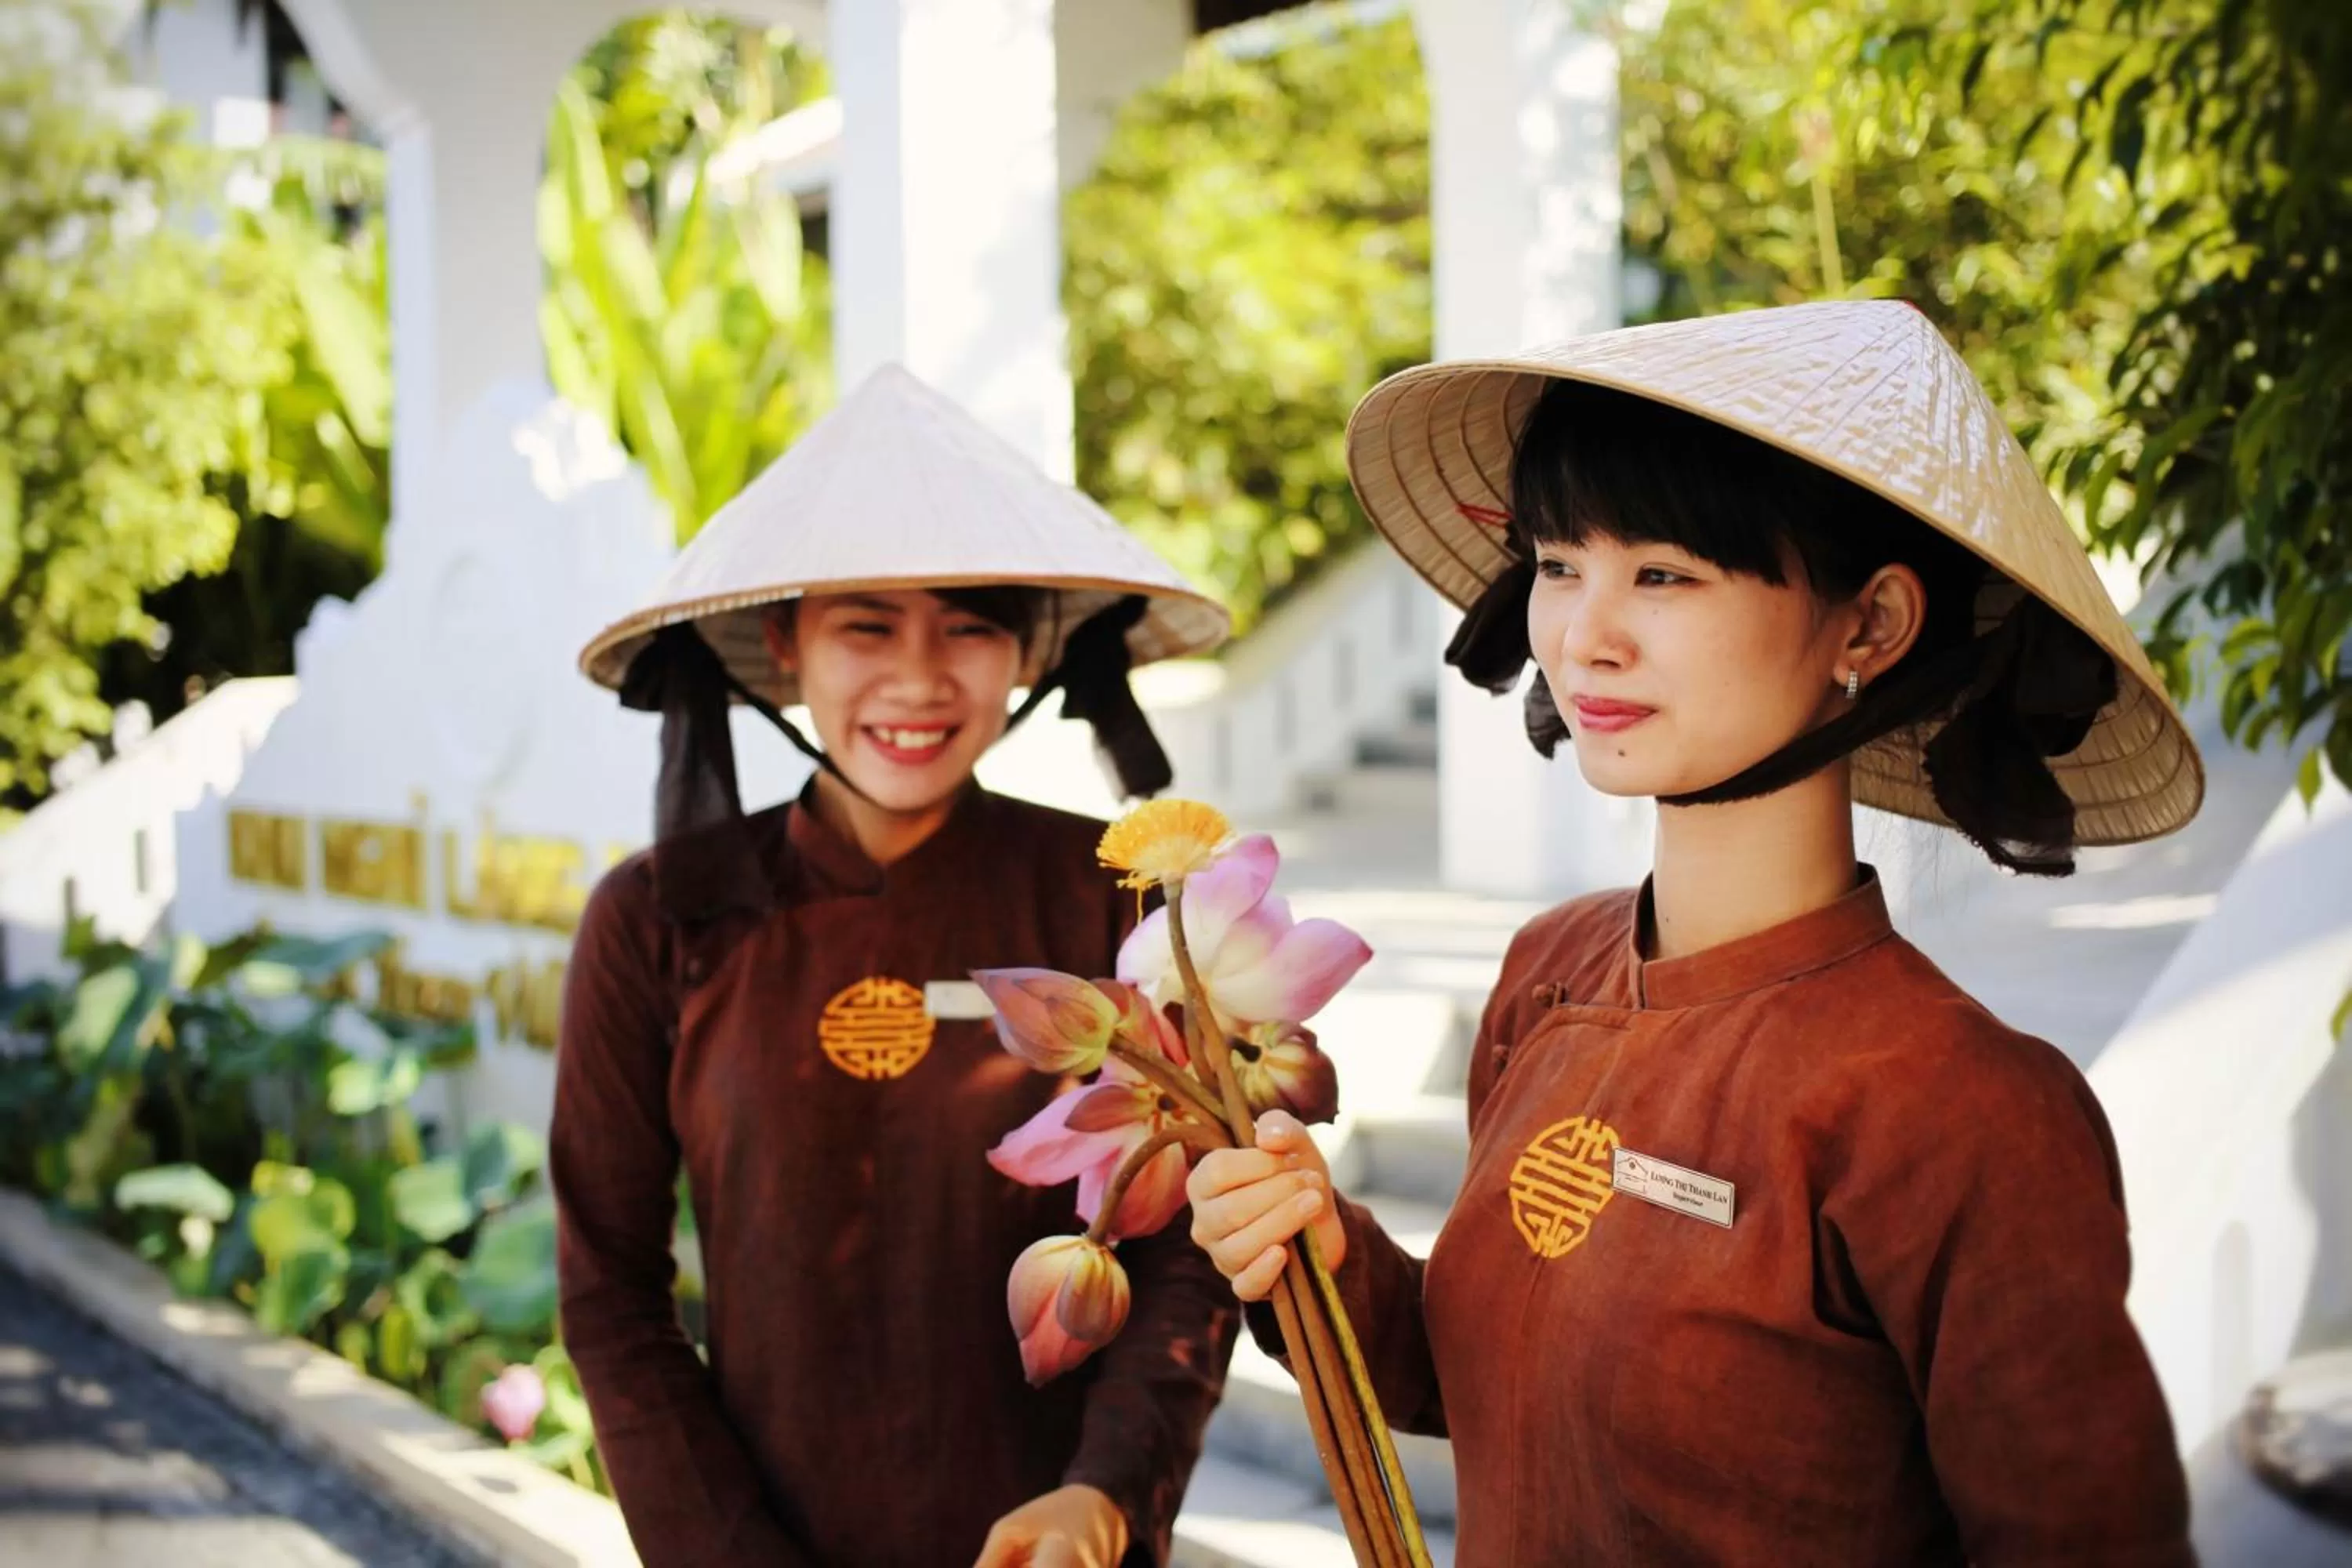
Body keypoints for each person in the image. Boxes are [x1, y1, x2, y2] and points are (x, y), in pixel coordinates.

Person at [1185, 302, 2202, 1564]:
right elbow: (1494, 1391)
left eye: (1664, 573)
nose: (1581, 635)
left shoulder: (1963, 1112)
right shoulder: (1547, 976)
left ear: (1871, 628)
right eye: (1560, 563)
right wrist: (1327, 1254)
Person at [557, 365, 1239, 1567]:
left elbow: (1189, 1246)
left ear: (1027, 651)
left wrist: (1110, 1490)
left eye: (970, 624)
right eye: (866, 625)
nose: (920, 678)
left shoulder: (1118, 898)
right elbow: (611, 1295)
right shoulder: (653, 923)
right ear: (785, 645)